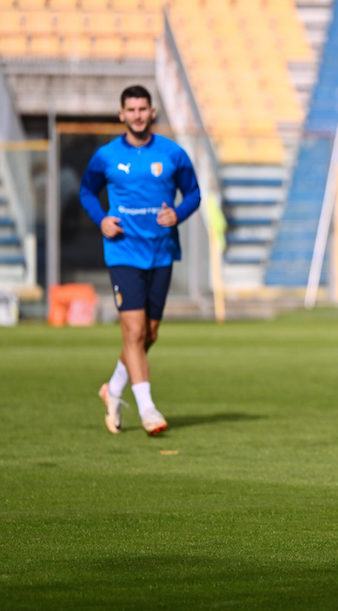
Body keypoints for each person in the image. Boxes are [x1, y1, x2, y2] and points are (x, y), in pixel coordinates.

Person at [79, 84, 201, 436]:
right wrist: (101, 218)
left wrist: (178, 214)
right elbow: (86, 190)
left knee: (148, 334)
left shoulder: (173, 153)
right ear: (121, 115)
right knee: (133, 330)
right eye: (130, 110)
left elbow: (194, 193)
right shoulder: (105, 156)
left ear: (152, 112)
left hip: (161, 251)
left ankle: (113, 389)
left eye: (142, 109)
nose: (137, 115)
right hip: (123, 251)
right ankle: (148, 410)